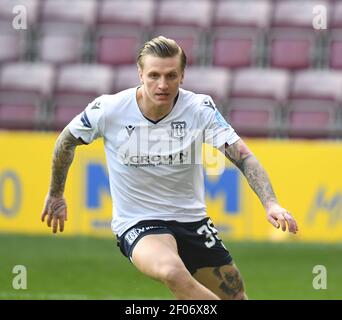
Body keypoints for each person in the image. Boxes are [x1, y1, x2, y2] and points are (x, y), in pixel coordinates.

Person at [41, 36, 298, 300]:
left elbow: (244, 157)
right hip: (138, 222)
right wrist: (56, 192)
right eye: (153, 75)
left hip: (193, 221)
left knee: (235, 296)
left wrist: (271, 203)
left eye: (171, 76)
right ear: (140, 74)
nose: (162, 85)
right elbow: (66, 141)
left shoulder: (199, 109)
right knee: (172, 272)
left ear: (182, 76)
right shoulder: (109, 109)